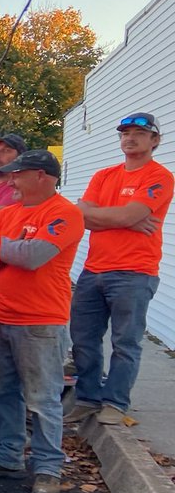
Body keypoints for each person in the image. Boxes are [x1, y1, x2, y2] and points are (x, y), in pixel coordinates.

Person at [0, 150, 85, 493]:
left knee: (42, 400)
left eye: (18, 174)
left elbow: (33, 256)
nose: (10, 180)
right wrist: (7, 249)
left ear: (42, 176)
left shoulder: (65, 213)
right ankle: (7, 458)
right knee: (1, 396)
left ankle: (47, 469)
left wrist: (0, 248)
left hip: (42, 321)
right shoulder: (8, 214)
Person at [67, 112, 173, 426]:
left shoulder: (159, 177)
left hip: (135, 272)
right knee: (83, 339)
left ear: (154, 140)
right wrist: (120, 217)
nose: (130, 138)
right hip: (93, 269)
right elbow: (80, 216)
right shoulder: (104, 175)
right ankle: (87, 398)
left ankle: (115, 402)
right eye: (125, 133)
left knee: (125, 342)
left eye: (139, 134)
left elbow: (127, 215)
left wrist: (102, 216)